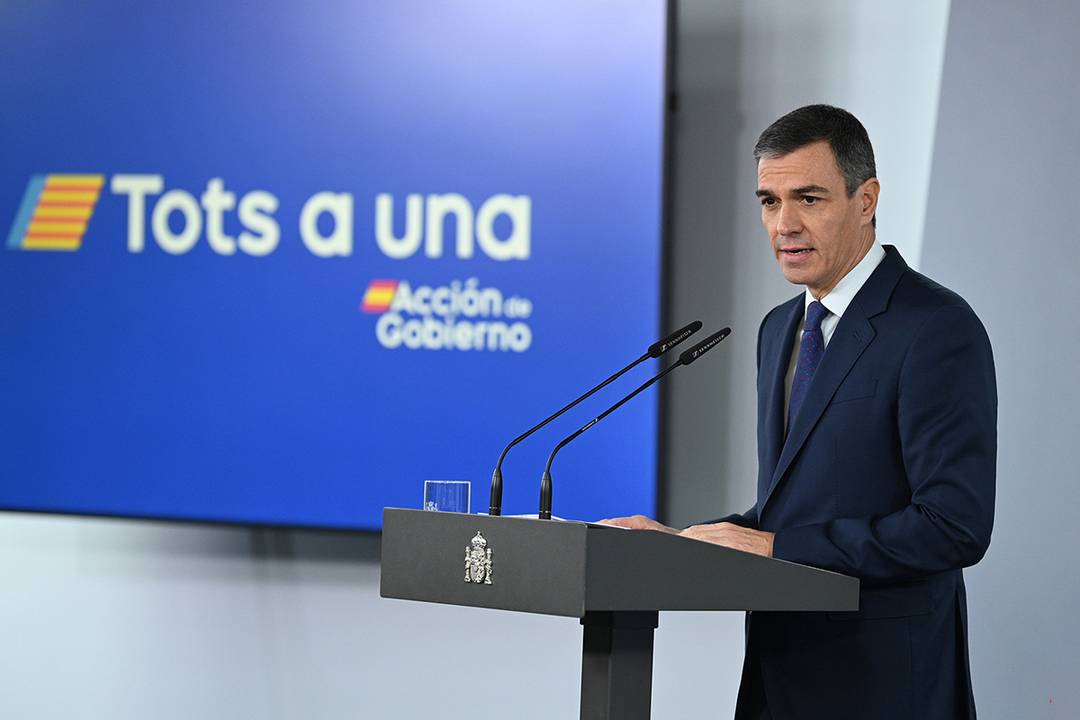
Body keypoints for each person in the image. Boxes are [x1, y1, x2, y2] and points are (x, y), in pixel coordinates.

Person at [601, 104, 996, 719]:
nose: (784, 223)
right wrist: (679, 544)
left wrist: (775, 547)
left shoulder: (935, 328)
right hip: (778, 676)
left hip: (885, 685)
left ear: (865, 200)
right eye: (768, 201)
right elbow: (791, 509)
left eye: (808, 199)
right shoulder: (780, 329)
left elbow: (952, 525)